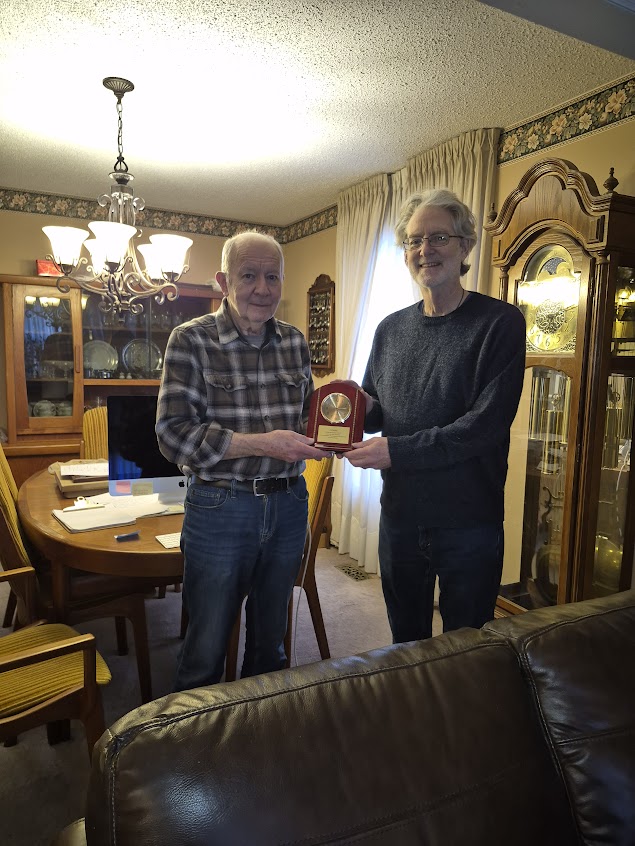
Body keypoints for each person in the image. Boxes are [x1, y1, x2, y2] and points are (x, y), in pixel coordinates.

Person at [343, 188, 526, 642]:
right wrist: (346, 407)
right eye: (413, 240)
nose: (425, 250)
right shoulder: (390, 328)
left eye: (439, 238)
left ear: (465, 246)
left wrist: (394, 451)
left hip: (469, 521)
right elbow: (377, 409)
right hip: (401, 516)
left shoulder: (500, 323)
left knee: (467, 648)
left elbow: (482, 428)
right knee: (406, 642)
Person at [156, 230, 328, 691]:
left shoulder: (294, 342)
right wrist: (263, 444)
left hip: (289, 504)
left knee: (271, 644)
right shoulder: (190, 340)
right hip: (219, 508)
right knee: (206, 646)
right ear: (222, 281)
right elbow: (173, 436)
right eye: (248, 275)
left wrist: (343, 412)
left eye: (272, 276)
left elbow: (311, 419)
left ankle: (256, 745)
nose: (262, 288)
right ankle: (196, 756)